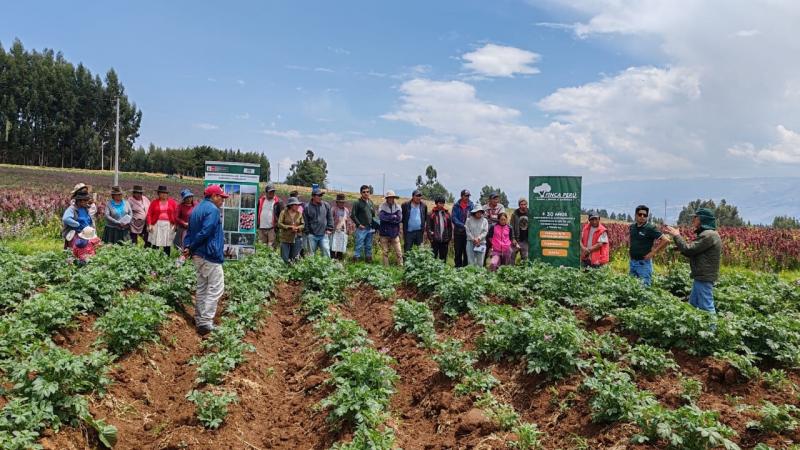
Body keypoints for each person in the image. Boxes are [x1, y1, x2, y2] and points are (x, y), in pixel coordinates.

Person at [183, 185, 228, 335]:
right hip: (209, 254)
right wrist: (193, 245)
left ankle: (199, 318)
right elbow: (206, 231)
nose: (222, 200)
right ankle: (206, 322)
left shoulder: (196, 209)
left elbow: (189, 232)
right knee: (216, 287)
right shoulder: (213, 210)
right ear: (214, 196)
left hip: (198, 255)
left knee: (202, 287)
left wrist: (189, 247)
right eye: (221, 197)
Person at [664, 208, 722, 315]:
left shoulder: (708, 235)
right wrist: (678, 248)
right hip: (700, 276)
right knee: (692, 305)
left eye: (695, 217)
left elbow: (689, 249)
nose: (693, 220)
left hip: (704, 277)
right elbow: (694, 249)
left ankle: (712, 330)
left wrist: (677, 235)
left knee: (707, 306)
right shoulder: (709, 234)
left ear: (702, 219)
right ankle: (692, 327)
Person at [629, 205, 670, 286]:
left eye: (645, 215)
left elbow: (666, 240)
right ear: (635, 215)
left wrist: (653, 253)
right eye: (640, 214)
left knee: (644, 290)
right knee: (631, 288)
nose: (642, 216)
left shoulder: (650, 228)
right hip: (633, 262)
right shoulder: (632, 227)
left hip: (643, 264)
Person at [146, 186, 178, 256]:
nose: (164, 194)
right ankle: (154, 258)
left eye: (165, 193)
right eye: (162, 193)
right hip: (157, 224)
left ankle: (166, 258)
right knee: (155, 242)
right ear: (158, 194)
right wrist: (149, 224)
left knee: (167, 243)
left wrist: (176, 224)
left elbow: (176, 214)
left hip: (168, 225)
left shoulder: (172, 202)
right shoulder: (154, 202)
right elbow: (149, 214)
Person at [303, 188, 334, 258]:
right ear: (313, 196)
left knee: (326, 251)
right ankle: (311, 268)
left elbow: (330, 218)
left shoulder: (326, 205)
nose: (320, 197)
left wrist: (330, 228)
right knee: (310, 255)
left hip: (323, 234)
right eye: (318, 195)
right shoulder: (307, 207)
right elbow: (305, 221)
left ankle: (326, 267)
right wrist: (307, 232)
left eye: (321, 195)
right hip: (312, 235)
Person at [351, 185, 376, 263]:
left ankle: (368, 261)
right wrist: (359, 224)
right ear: (361, 193)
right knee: (359, 245)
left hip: (370, 228)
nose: (366, 193)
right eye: (364, 192)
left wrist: (375, 225)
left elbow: (373, 215)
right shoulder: (357, 203)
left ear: (369, 192)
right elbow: (353, 215)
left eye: (367, 192)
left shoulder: (371, 202)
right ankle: (355, 262)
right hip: (361, 228)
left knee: (368, 246)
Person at [378, 190, 403, 266]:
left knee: (399, 251)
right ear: (387, 198)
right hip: (384, 233)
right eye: (389, 197)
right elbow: (382, 218)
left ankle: (400, 266)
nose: (391, 199)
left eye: (392, 197)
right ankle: (386, 268)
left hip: (395, 233)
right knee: (385, 252)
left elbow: (399, 219)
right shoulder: (382, 206)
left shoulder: (398, 207)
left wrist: (389, 218)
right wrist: (392, 217)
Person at [277, 197, 305, 263]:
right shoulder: (283, 213)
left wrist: (298, 228)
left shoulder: (299, 214)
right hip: (285, 238)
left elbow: (303, 225)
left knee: (294, 258)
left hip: (296, 238)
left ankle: (292, 271)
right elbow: (279, 224)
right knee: (284, 258)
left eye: (298, 205)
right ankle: (284, 270)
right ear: (291, 205)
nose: (298, 206)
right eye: (296, 205)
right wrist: (289, 227)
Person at [451, 189, 474, 268]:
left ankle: (465, 268)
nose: (467, 197)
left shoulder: (471, 205)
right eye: (466, 196)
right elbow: (454, 218)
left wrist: (469, 226)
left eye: (468, 196)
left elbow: (473, 217)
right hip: (458, 232)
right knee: (458, 251)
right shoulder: (456, 205)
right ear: (462, 196)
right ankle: (457, 267)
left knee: (467, 251)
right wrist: (462, 225)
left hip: (468, 233)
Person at [257, 184, 283, 248]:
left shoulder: (278, 202)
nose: (272, 193)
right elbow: (257, 211)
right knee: (262, 247)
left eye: (273, 191)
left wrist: (277, 225)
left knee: (271, 247)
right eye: (270, 191)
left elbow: (282, 214)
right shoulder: (260, 201)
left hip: (272, 228)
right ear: (266, 192)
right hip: (261, 228)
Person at [483, 192, 506, 264]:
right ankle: (482, 265)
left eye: (497, 199)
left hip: (497, 232)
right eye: (494, 199)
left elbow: (501, 218)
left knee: (497, 250)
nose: (496, 200)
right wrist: (495, 218)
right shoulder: (484, 207)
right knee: (485, 249)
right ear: (489, 200)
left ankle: (497, 266)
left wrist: (490, 217)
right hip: (486, 232)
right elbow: (482, 218)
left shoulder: (501, 207)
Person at [427, 197, 452, 261]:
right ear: (436, 203)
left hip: (444, 240)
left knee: (443, 258)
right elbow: (428, 227)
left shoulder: (447, 214)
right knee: (433, 257)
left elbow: (450, 227)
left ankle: (443, 270)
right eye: (440, 203)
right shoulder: (431, 214)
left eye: (443, 203)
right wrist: (431, 238)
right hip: (435, 239)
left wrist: (449, 238)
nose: (441, 205)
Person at [330, 193, 354, 260]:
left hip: (343, 231)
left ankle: (339, 260)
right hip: (334, 231)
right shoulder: (333, 209)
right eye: (340, 202)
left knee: (341, 247)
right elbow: (330, 220)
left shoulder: (346, 210)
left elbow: (348, 220)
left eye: (343, 202)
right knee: (333, 246)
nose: (342, 203)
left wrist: (349, 230)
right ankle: (332, 260)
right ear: (337, 202)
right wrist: (331, 229)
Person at [510, 198, 529, 264]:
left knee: (525, 258)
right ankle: (510, 270)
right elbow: (511, 227)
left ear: (527, 205)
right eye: (521, 204)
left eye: (525, 204)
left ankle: (523, 272)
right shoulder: (515, 214)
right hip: (516, 239)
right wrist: (513, 238)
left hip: (526, 240)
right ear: (519, 205)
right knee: (511, 256)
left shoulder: (530, 213)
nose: (523, 206)